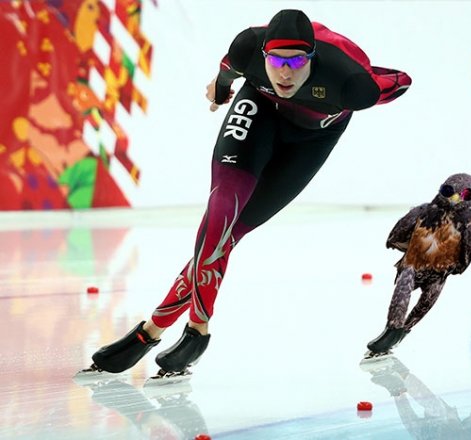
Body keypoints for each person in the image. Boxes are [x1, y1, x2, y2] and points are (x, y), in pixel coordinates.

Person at [79, 9, 411, 378]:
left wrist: (376, 77)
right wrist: (221, 90)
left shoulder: (352, 84)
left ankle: (150, 332)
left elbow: (399, 81)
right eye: (277, 61)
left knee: (229, 236)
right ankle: (197, 330)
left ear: (313, 58)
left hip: (311, 142)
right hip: (259, 111)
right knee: (221, 212)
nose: (285, 73)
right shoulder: (247, 48)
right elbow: (227, 71)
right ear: (263, 54)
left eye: (297, 62)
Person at [364, 173, 471, 359]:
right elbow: (394, 238)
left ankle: (399, 335)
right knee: (403, 291)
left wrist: (448, 267)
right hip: (412, 265)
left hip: (440, 273)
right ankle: (391, 331)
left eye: (465, 194)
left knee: (425, 304)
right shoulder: (422, 213)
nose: (455, 198)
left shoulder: (470, 225)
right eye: (448, 191)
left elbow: (463, 263)